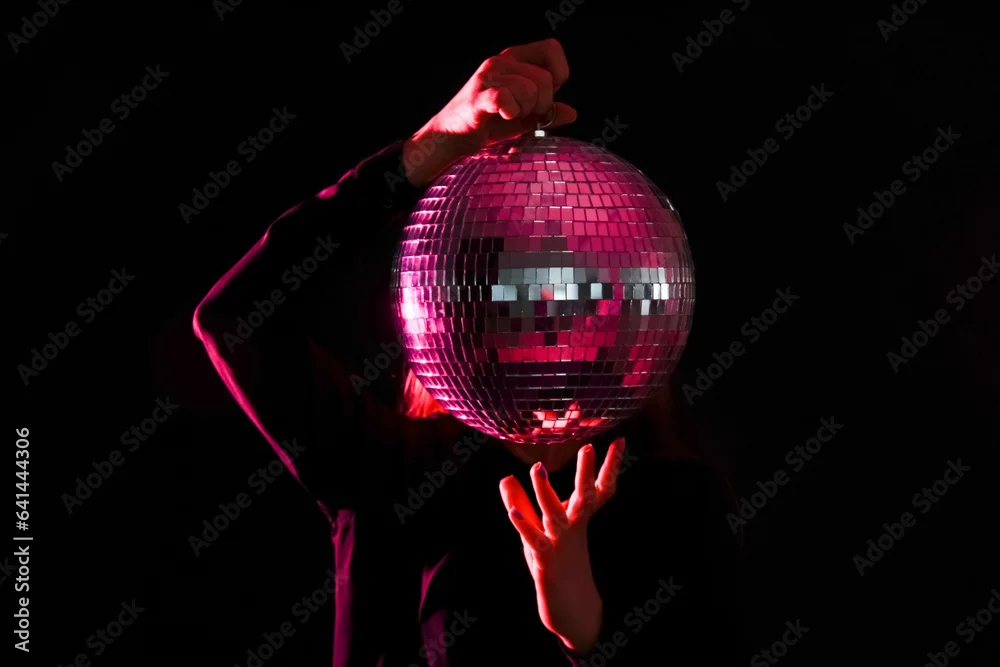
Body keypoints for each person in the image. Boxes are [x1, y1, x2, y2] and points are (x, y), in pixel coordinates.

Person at [193, 38, 744, 666]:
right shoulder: (390, 472)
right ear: (467, 309)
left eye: (576, 281)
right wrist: (427, 150)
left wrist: (588, 635)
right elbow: (236, 319)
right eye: (517, 279)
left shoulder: (680, 502)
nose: (547, 305)